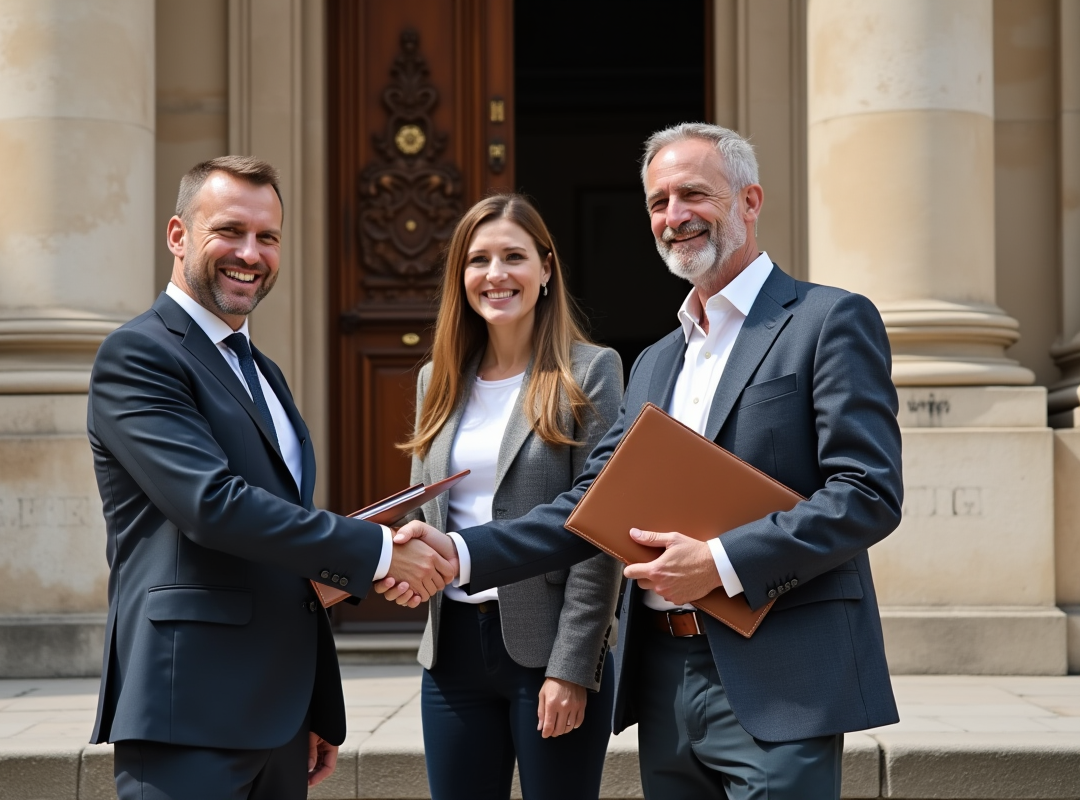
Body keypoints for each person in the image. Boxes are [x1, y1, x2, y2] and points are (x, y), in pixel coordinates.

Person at [386, 123, 903, 799]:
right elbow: (585, 508)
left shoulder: (827, 320)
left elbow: (866, 493)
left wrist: (719, 563)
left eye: (693, 194)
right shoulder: (657, 361)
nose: (674, 216)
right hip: (662, 671)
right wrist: (459, 554)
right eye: (658, 202)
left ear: (751, 201)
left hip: (779, 675)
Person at [87, 155, 455, 800]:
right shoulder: (138, 354)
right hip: (188, 709)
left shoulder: (264, 372)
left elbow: (278, 541)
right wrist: (376, 551)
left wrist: (312, 704)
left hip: (279, 714)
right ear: (178, 236)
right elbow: (213, 506)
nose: (250, 254)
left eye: (268, 238)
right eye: (229, 231)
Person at [402, 195, 623, 799]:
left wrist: (574, 667)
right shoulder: (437, 380)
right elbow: (432, 511)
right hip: (450, 655)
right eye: (479, 260)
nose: (495, 274)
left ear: (546, 268)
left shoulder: (591, 371)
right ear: (462, 277)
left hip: (547, 650)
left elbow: (598, 525)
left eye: (513, 257)